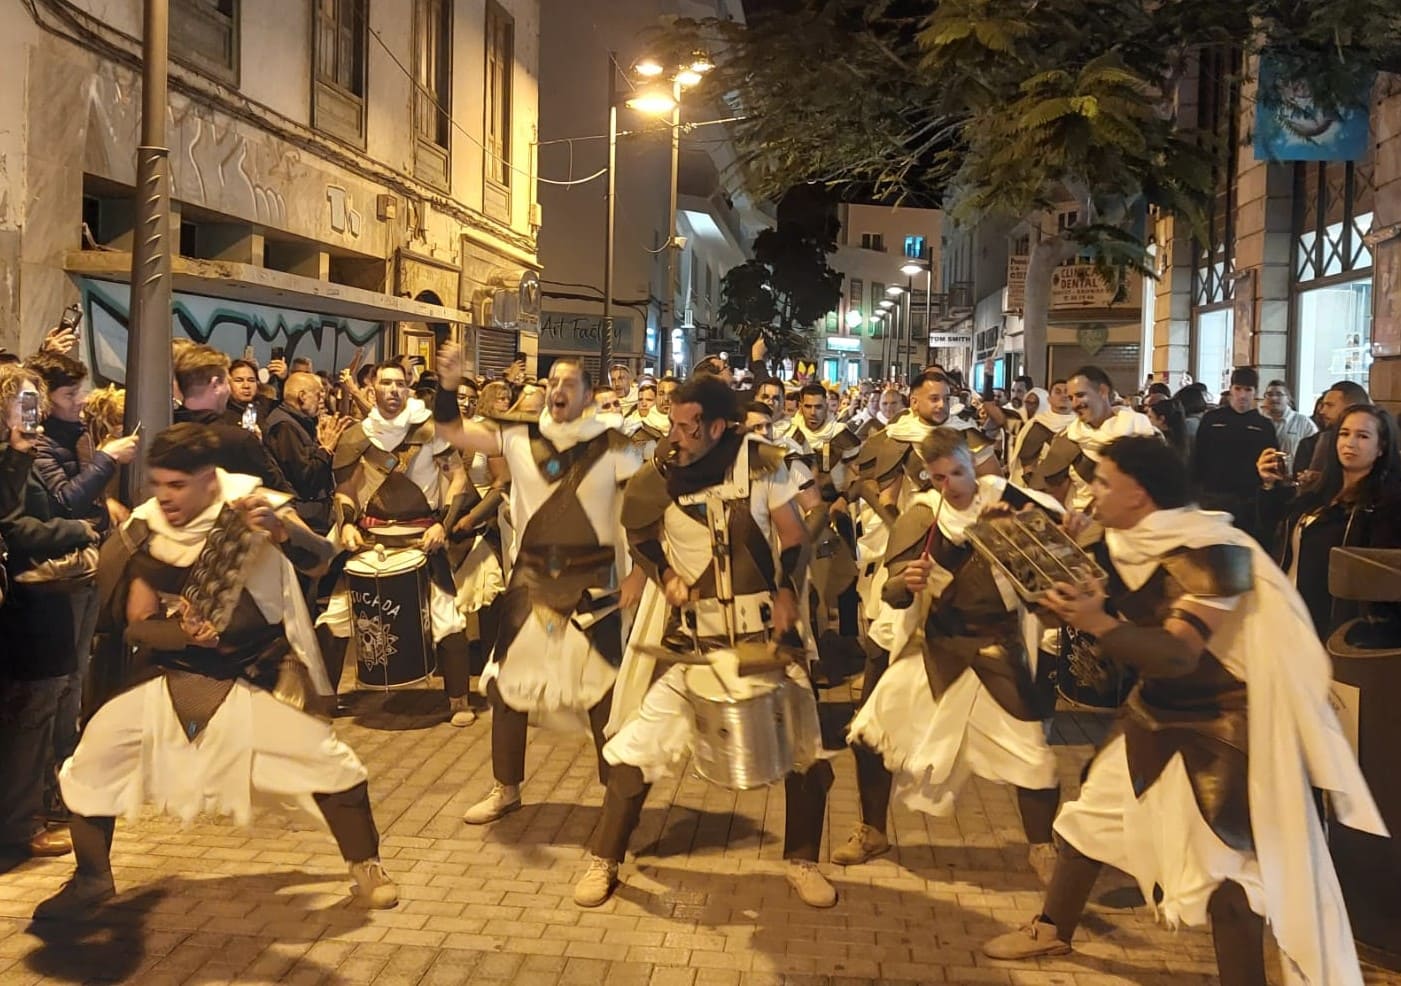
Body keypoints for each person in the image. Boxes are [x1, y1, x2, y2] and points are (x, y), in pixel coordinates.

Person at [982, 436, 1384, 986]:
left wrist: (1099, 621)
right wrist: (1018, 546)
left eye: (1104, 482)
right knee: (1083, 825)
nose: (1091, 491)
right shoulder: (1124, 544)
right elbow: (1058, 615)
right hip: (1154, 711)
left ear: (1140, 494)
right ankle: (1052, 928)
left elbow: (1177, 652)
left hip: (1223, 726)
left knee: (1230, 884)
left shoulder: (1213, 550)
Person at [35, 423, 399, 918]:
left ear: (209, 478)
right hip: (174, 665)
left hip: (258, 663)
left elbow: (322, 561)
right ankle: (92, 878)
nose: (164, 497)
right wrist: (182, 632)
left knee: (324, 760)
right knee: (92, 759)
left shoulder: (255, 505)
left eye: (177, 485)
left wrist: (281, 530)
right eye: (158, 484)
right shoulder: (147, 526)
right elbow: (136, 625)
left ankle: (366, 866)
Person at [582, 377, 834, 909]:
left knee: (808, 755)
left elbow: (793, 536)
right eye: (673, 422)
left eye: (686, 424)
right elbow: (641, 536)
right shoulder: (660, 470)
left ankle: (803, 860)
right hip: (692, 640)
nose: (675, 434)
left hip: (765, 637)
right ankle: (604, 859)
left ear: (717, 426)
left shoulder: (765, 463)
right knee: (634, 752)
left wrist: (788, 590)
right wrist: (663, 573)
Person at [431, 345, 646, 826]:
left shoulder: (617, 445)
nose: (557, 391)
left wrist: (638, 573)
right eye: (552, 383)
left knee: (602, 693)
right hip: (531, 581)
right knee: (507, 687)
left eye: (569, 384)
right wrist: (446, 387)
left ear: (589, 395)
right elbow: (450, 431)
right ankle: (506, 788)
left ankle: (617, 800)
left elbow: (643, 513)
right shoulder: (515, 436)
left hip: (595, 585)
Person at [848, 428, 1063, 883]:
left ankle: (1043, 848)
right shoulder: (922, 514)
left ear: (974, 463)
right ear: (929, 475)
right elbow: (890, 590)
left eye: (958, 472)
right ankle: (871, 829)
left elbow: (1059, 553)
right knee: (869, 734)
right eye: (940, 476)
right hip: (937, 648)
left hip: (999, 648)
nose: (952, 485)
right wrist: (906, 583)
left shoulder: (1006, 500)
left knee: (1033, 755)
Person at [316, 363, 475, 724]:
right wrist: (346, 525)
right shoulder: (357, 436)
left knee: (448, 619)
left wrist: (442, 525)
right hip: (372, 540)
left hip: (422, 539)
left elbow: (458, 481)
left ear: (409, 389)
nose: (393, 390)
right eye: (385, 383)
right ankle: (326, 698)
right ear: (371, 389)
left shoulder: (431, 431)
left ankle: (459, 700)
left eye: (400, 384)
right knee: (337, 620)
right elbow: (347, 491)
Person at [0, 365, 102, 859]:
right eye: (23, 403)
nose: (31, 412)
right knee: (33, 716)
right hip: (27, 602)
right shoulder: (11, 460)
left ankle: (26, 818)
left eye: (32, 402)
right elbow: (17, 528)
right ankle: (20, 828)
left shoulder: (18, 455)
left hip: (34, 603)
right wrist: (77, 531)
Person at [1258, 404, 1401, 636]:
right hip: (1287, 611)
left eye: (1363, 436)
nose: (1350, 443)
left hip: (1337, 625)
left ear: (1381, 447)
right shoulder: (1318, 492)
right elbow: (1273, 535)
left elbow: (1380, 578)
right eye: (1344, 434)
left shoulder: (1386, 504)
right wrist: (1269, 486)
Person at [1032, 365, 1156, 512]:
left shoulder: (1142, 433)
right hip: (1081, 527)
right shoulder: (1069, 438)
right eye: (1071, 398)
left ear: (1103, 391)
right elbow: (1047, 491)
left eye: (1080, 395)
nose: (1075, 404)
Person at [173, 345, 291, 492]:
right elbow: (280, 492)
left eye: (251, 380)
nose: (246, 386)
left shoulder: (170, 432)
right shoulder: (238, 439)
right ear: (216, 384)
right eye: (230, 381)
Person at [1190, 367, 1278, 541]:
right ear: (1230, 389)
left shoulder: (1264, 425)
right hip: (1212, 497)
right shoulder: (1212, 419)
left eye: (1248, 390)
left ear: (1255, 393)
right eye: (1238, 389)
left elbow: (1270, 462)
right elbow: (1197, 457)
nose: (1242, 395)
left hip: (1249, 500)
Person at [263, 371, 349, 538]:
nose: (322, 401)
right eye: (318, 395)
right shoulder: (284, 426)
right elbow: (305, 478)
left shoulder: (299, 422)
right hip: (305, 518)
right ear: (302, 396)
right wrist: (325, 449)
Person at [1294, 380, 1370, 482]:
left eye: (1330, 405)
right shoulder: (1310, 444)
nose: (1322, 411)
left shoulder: (1373, 444)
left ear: (1351, 407)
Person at [1007, 380, 1076, 488]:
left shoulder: (1080, 425)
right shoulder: (1038, 424)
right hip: (1041, 486)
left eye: (1067, 392)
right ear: (1049, 399)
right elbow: (1027, 460)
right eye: (1058, 392)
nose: (1064, 396)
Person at [1260, 380, 1317, 460]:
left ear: (1288, 398)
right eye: (1269, 394)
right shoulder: (1258, 422)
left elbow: (1316, 450)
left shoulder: (1304, 423)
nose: (1273, 398)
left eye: (1279, 394)